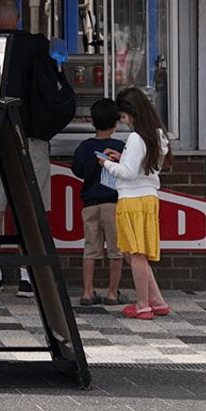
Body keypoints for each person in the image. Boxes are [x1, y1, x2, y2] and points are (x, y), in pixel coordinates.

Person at [0, 0, 59, 296]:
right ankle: (27, 273)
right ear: (18, 19)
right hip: (31, 138)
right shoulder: (37, 48)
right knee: (31, 206)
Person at [102, 86, 173, 321]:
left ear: (132, 112)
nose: (124, 122)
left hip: (131, 200)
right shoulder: (157, 134)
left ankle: (143, 305)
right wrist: (123, 158)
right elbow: (144, 167)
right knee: (137, 254)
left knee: (135, 254)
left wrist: (107, 164)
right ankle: (157, 301)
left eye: (124, 116)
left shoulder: (135, 137)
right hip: (150, 198)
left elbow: (128, 173)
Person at [74, 96, 128, 307]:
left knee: (90, 249)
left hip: (90, 204)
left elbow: (78, 170)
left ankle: (88, 292)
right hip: (113, 203)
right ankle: (112, 293)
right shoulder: (119, 146)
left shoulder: (84, 147)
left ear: (91, 122)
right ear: (116, 123)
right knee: (115, 250)